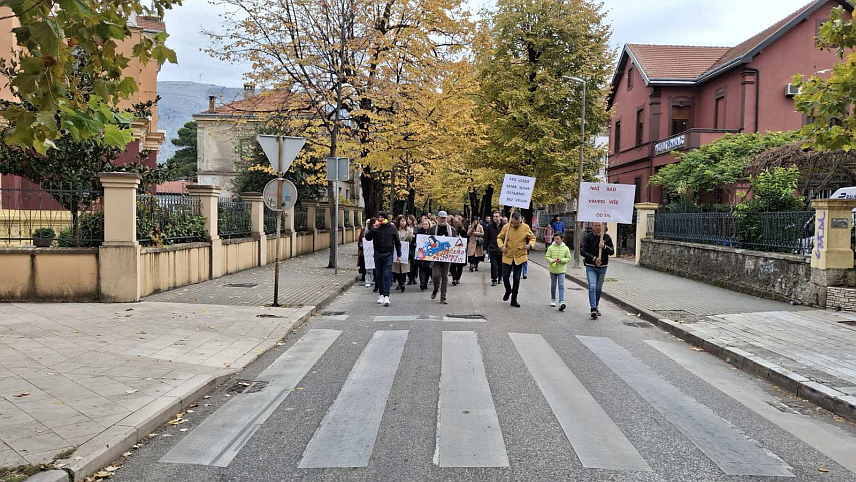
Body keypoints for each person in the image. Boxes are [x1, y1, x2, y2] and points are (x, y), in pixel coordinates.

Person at [497, 212, 535, 308]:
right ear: (511, 220)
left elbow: (532, 238)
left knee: (517, 279)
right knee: (505, 277)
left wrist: (530, 245)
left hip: (520, 256)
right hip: (507, 256)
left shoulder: (525, 227)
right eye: (514, 222)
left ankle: (514, 299)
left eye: (518, 223)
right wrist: (501, 247)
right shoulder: (506, 227)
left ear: (520, 220)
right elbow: (499, 238)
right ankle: (508, 290)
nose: (515, 225)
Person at [364, 212, 401, 306]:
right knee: (379, 275)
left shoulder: (392, 228)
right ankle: (381, 294)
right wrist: (374, 229)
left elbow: (397, 242)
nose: (380, 219)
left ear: (386, 219)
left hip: (388, 254)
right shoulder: (376, 228)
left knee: (387, 274)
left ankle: (386, 295)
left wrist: (399, 255)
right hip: (377, 254)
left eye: (382, 217)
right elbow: (367, 238)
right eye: (379, 217)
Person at [581, 222, 615, 319]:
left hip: (603, 267)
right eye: (595, 226)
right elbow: (583, 251)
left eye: (599, 226)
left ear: (602, 226)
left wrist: (604, 246)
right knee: (592, 286)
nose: (597, 227)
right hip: (590, 266)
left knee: (598, 288)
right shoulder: (588, 237)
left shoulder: (607, 238)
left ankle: (596, 305)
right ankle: (593, 308)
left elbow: (612, 251)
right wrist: (594, 258)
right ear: (592, 226)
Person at [428, 211, 457, 304]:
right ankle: (436, 289)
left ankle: (443, 296)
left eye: (444, 218)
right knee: (435, 275)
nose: (443, 220)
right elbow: (428, 241)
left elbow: (454, 242)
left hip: (447, 256)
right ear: (437, 218)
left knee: (445, 276)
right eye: (441, 218)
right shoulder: (432, 229)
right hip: (436, 257)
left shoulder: (451, 229)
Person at [545, 232, 572, 311]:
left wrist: (562, 260)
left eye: (558, 239)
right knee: (553, 285)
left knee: (561, 285)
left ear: (562, 239)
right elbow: (547, 256)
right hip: (553, 269)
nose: (556, 240)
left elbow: (569, 258)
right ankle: (553, 299)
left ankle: (561, 301)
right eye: (555, 239)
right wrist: (551, 260)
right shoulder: (551, 247)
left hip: (561, 270)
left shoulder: (566, 248)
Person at [392, 216, 414, 292]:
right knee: (396, 268)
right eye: (402, 221)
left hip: (405, 251)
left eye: (404, 221)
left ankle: (402, 283)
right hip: (396, 250)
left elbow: (411, 240)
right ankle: (399, 282)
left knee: (404, 268)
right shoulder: (394, 230)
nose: (403, 222)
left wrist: (410, 236)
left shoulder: (408, 230)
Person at [484, 211, 504, 286]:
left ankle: (500, 277)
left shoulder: (504, 226)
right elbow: (486, 238)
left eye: (497, 216)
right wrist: (485, 248)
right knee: (493, 265)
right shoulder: (490, 226)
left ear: (500, 217)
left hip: (501, 249)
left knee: (501, 265)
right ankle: (494, 279)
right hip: (492, 249)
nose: (495, 218)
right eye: (494, 216)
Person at [416, 218, 432, 290]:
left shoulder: (432, 232)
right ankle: (422, 282)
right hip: (421, 252)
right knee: (421, 268)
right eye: (424, 224)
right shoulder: (419, 232)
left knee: (428, 268)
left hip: (429, 253)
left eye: (426, 224)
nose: (425, 225)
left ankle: (425, 282)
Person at [450, 216, 467, 285]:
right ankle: (454, 278)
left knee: (460, 265)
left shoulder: (462, 231)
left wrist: (461, 238)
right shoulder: (450, 230)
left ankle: (458, 278)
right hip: (453, 250)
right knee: (453, 265)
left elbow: (466, 240)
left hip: (460, 250)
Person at [360, 218, 376, 287]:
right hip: (368, 251)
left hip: (375, 251)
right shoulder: (366, 231)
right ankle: (368, 280)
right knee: (369, 266)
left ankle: (375, 280)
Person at [407, 215, 419, 285]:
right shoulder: (406, 228)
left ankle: (414, 277)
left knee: (414, 263)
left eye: (409, 219)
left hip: (414, 246)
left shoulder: (416, 228)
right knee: (408, 262)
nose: (408, 220)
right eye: (407, 219)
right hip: (408, 246)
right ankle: (410, 277)